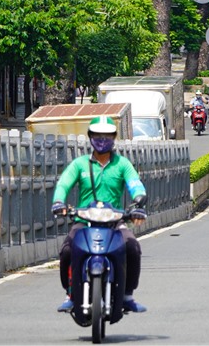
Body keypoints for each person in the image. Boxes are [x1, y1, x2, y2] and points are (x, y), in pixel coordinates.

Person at [52, 116, 148, 314]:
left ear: (114, 137)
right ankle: (70, 294)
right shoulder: (79, 164)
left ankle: (128, 295)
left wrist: (138, 201)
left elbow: (135, 185)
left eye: (107, 135)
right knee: (68, 251)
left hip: (115, 223)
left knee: (132, 247)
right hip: (84, 222)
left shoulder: (122, 164)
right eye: (97, 135)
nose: (102, 139)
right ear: (90, 137)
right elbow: (63, 184)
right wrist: (58, 202)